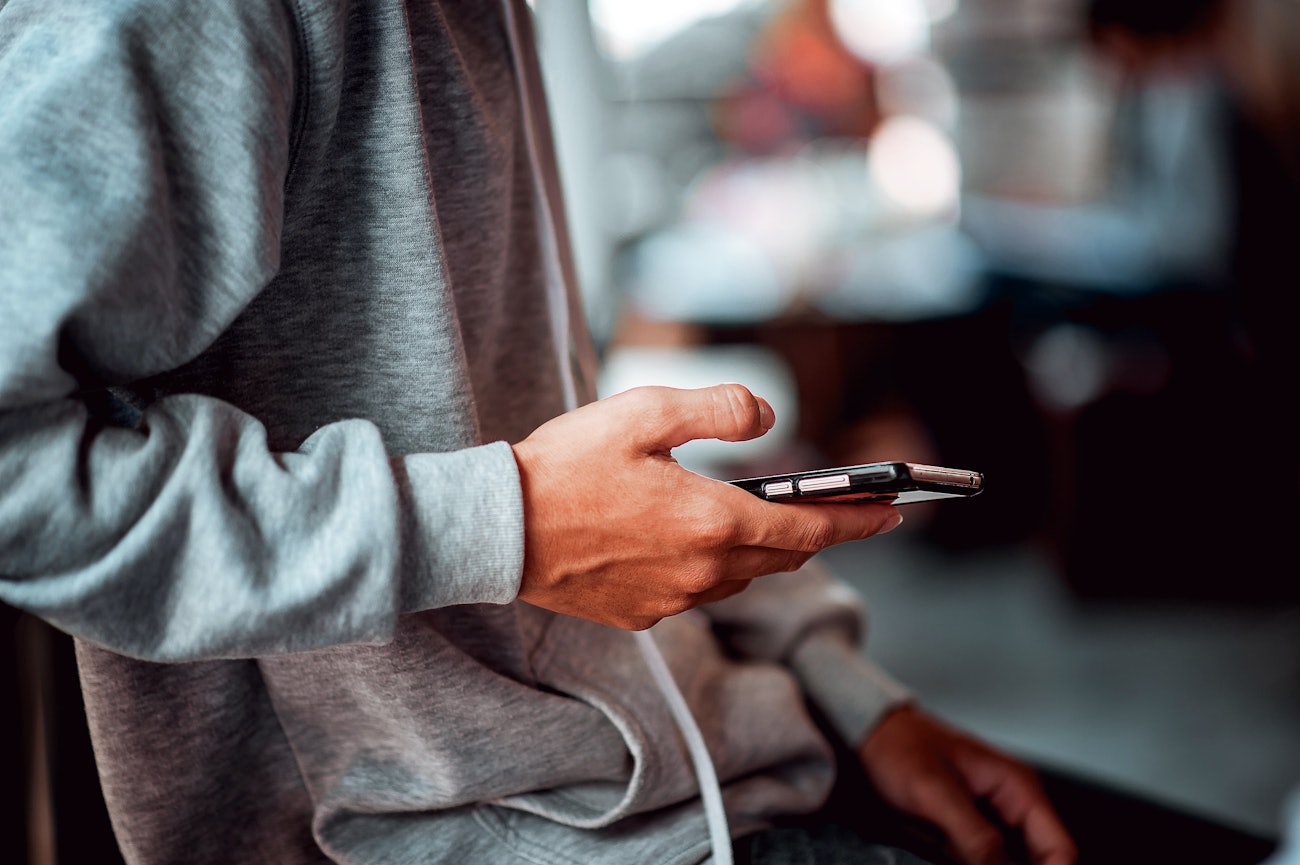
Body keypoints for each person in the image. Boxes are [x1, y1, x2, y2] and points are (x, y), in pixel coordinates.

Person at [0, 2, 1082, 864]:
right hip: (464, 828)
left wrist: (853, 701)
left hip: (711, 762)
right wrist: (504, 522)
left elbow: (537, 442)